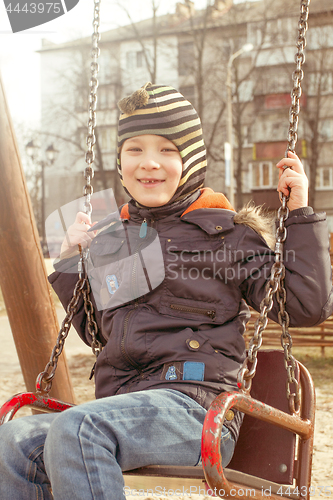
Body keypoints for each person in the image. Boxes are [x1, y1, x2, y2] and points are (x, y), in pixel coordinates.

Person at [0, 83, 332, 500]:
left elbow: (303, 305)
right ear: (120, 162)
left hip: (196, 411)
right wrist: (70, 263)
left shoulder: (227, 235)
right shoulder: (114, 238)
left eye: (167, 150)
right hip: (123, 411)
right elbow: (98, 333)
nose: (148, 163)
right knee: (11, 444)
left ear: (190, 159)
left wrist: (298, 213)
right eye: (134, 149)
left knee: (79, 427)